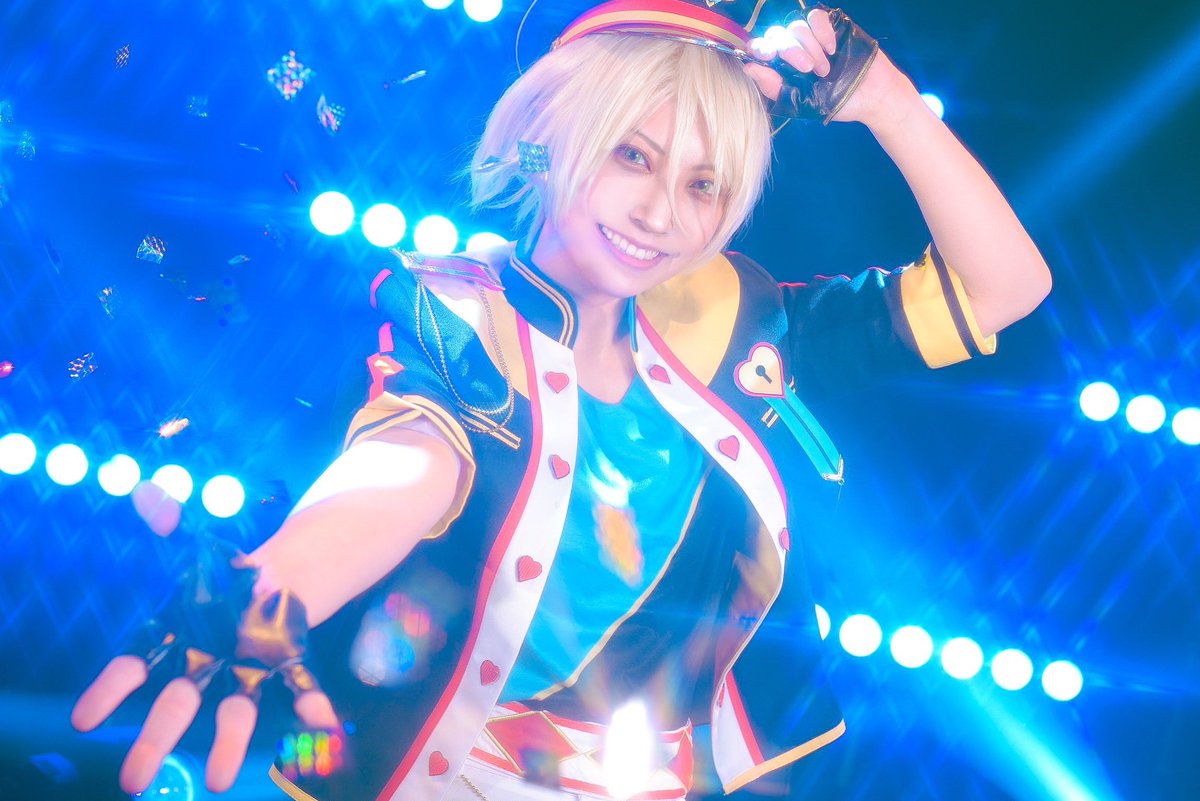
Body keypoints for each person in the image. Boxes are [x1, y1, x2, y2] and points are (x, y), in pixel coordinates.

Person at [71, 2, 1052, 800]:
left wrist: (887, 104)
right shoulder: (456, 313)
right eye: (633, 156)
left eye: (703, 184)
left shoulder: (740, 318)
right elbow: (405, 463)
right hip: (453, 775)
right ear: (548, 141)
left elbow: (1006, 289)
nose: (661, 214)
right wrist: (277, 587)